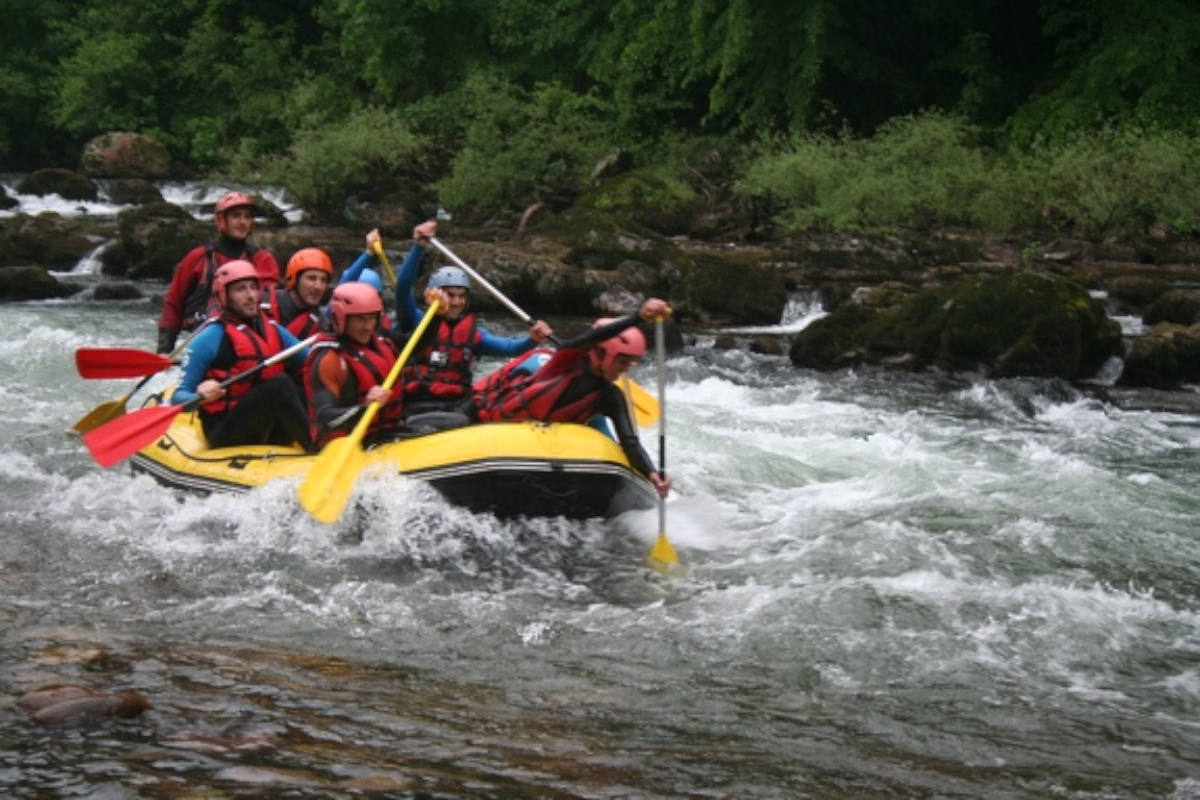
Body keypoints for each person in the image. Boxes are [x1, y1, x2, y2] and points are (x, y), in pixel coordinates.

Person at [471, 298, 672, 498]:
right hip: (492, 426)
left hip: (549, 455)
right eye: (623, 362)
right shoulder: (563, 362)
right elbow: (592, 337)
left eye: (630, 363)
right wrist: (638, 317)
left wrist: (653, 475)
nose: (625, 369)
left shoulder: (611, 396)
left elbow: (630, 443)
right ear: (600, 353)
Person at [382, 220, 553, 418]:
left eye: (461, 296)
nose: (457, 302)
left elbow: (510, 348)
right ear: (433, 293)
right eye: (450, 295)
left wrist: (533, 339)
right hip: (417, 404)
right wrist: (418, 247)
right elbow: (402, 288)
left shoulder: (474, 333)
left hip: (457, 406)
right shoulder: (415, 320)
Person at [171, 260, 314, 451]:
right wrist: (200, 396)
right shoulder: (209, 337)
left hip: (265, 423)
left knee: (305, 381)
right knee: (280, 384)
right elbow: (177, 398)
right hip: (225, 432)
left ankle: (334, 435)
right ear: (224, 295)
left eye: (253, 288)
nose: (250, 296)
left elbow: (313, 361)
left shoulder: (272, 329)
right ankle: (316, 447)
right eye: (240, 289)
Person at [156, 191, 281, 354]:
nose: (242, 222)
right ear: (222, 220)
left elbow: (269, 306)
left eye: (247, 217)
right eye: (236, 216)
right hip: (204, 339)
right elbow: (174, 302)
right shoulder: (198, 257)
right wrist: (165, 348)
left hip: (249, 340)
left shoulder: (262, 260)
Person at [302, 282, 417, 446]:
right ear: (341, 319)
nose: (368, 327)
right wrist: (364, 407)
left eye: (372, 318)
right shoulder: (329, 360)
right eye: (360, 320)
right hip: (348, 444)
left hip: (385, 434)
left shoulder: (381, 340)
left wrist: (438, 316)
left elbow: (416, 346)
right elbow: (325, 419)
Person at [261, 247, 333, 338]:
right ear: (295, 280)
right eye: (311, 278)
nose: (318, 286)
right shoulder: (262, 303)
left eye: (323, 280)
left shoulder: (322, 325)